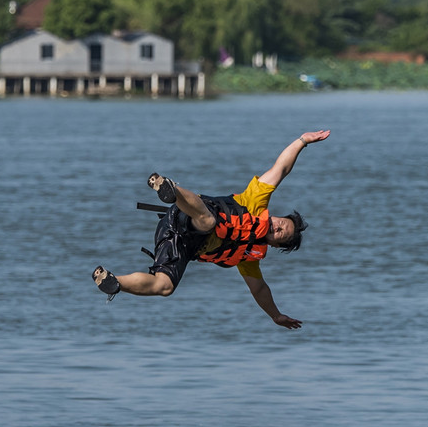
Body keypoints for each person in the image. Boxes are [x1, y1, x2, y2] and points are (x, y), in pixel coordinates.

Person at [92, 130, 331, 329]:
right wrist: (302, 141)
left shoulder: (249, 257)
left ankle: (112, 281)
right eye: (281, 222)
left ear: (275, 244)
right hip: (187, 210)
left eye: (280, 233)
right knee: (208, 223)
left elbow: (259, 289)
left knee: (164, 287)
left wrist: (275, 315)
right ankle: (169, 187)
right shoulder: (255, 202)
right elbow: (281, 169)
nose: (277, 226)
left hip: (178, 240)